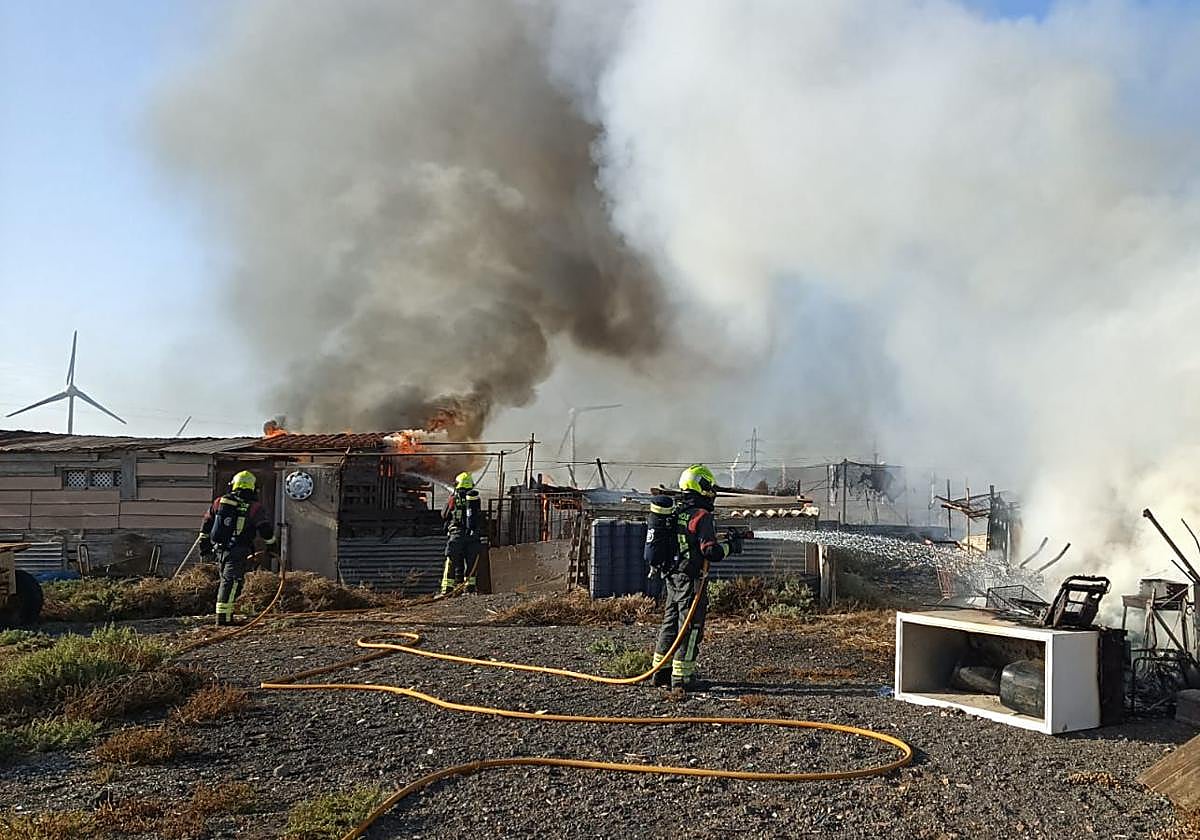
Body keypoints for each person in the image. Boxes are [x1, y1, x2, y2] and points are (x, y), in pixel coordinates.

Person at [651, 464, 738, 691]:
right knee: (691, 627)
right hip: (691, 581)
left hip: (673, 577)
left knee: (670, 623)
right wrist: (731, 547)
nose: (712, 491)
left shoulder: (678, 512)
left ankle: (661, 671)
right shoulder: (702, 515)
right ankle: (683, 678)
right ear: (700, 486)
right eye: (708, 486)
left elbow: (687, 541)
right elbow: (710, 551)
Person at [198, 470, 276, 626]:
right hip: (238, 549)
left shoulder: (219, 502)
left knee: (226, 580)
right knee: (231, 581)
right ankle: (224, 619)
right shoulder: (254, 507)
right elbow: (265, 529)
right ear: (252, 488)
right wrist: (272, 546)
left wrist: (204, 548)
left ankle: (226, 614)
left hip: (219, 549)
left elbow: (206, 524)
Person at [441, 471, 483, 594]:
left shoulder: (453, 499)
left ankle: (447, 588)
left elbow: (444, 515)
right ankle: (470, 589)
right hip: (472, 535)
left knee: (451, 560)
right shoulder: (475, 500)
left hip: (457, 534)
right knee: (470, 562)